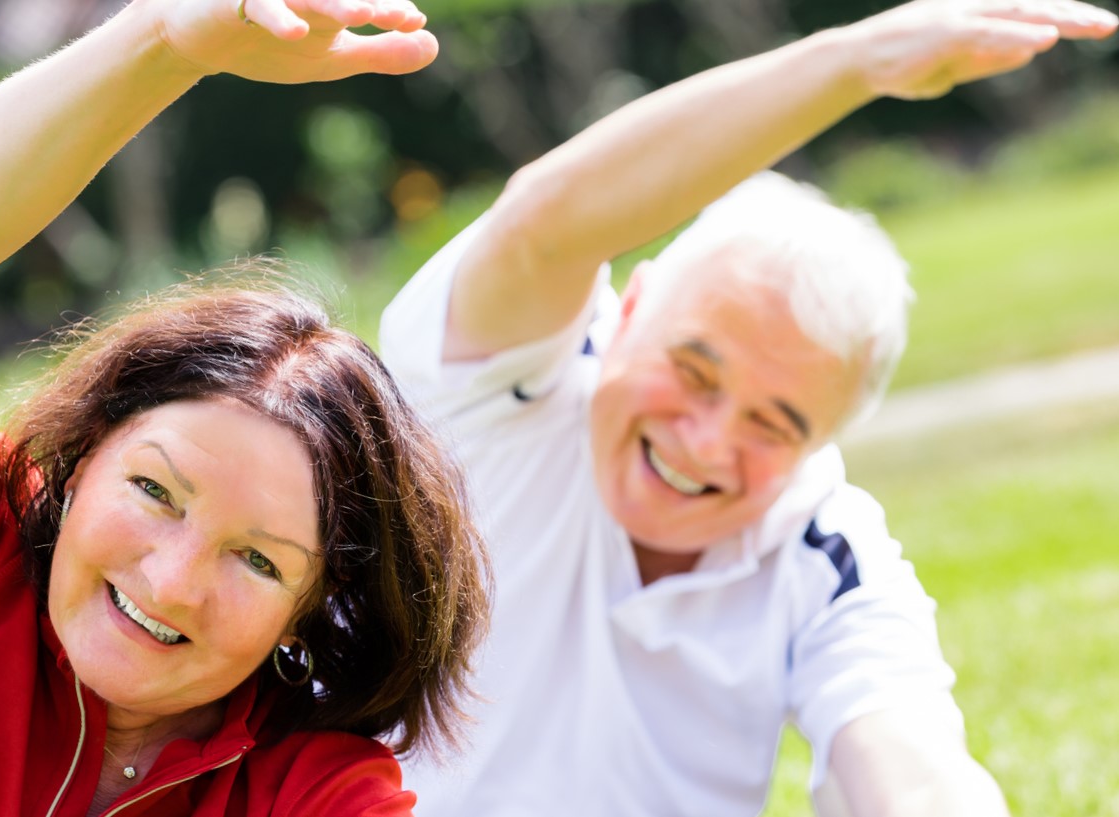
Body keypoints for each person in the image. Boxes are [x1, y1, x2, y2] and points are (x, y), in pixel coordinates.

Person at [0, 1, 490, 816]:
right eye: (155, 491)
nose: (172, 583)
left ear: (309, 608)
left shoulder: (308, 789)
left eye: (258, 560)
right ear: (83, 457)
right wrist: (162, 41)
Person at [380, 1, 1117, 815]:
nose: (705, 442)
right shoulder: (502, 393)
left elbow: (908, 762)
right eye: (694, 371)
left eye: (774, 424)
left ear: (822, 446)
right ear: (631, 307)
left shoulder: (820, 545)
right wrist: (855, 61)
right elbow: (542, 226)